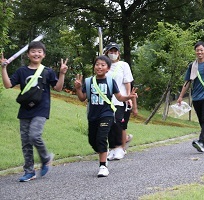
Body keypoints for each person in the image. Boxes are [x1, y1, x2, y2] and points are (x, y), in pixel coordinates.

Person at [1, 41, 68, 182]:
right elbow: (8, 85)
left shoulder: (47, 71)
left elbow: (58, 88)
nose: (36, 54)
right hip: (25, 110)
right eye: (33, 51)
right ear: (28, 54)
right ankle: (29, 171)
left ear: (43, 55)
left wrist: (61, 74)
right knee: (26, 142)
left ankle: (46, 158)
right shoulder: (21, 71)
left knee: (34, 135)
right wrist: (3, 68)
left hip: (41, 110)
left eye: (39, 51)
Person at [74, 56, 137, 177]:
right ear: (94, 67)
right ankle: (104, 152)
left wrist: (129, 97)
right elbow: (82, 98)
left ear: (108, 68)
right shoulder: (88, 81)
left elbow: (119, 97)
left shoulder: (110, 81)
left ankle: (103, 166)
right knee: (92, 140)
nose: (99, 67)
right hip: (92, 115)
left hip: (107, 114)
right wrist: (78, 88)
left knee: (101, 138)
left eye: (103, 65)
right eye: (97, 64)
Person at [104, 42, 137, 160]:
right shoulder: (104, 65)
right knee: (108, 125)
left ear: (118, 54)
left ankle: (120, 148)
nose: (113, 54)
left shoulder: (123, 65)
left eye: (115, 52)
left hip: (120, 100)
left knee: (118, 124)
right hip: (106, 100)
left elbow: (127, 81)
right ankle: (112, 148)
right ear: (107, 53)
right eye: (110, 52)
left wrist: (129, 98)